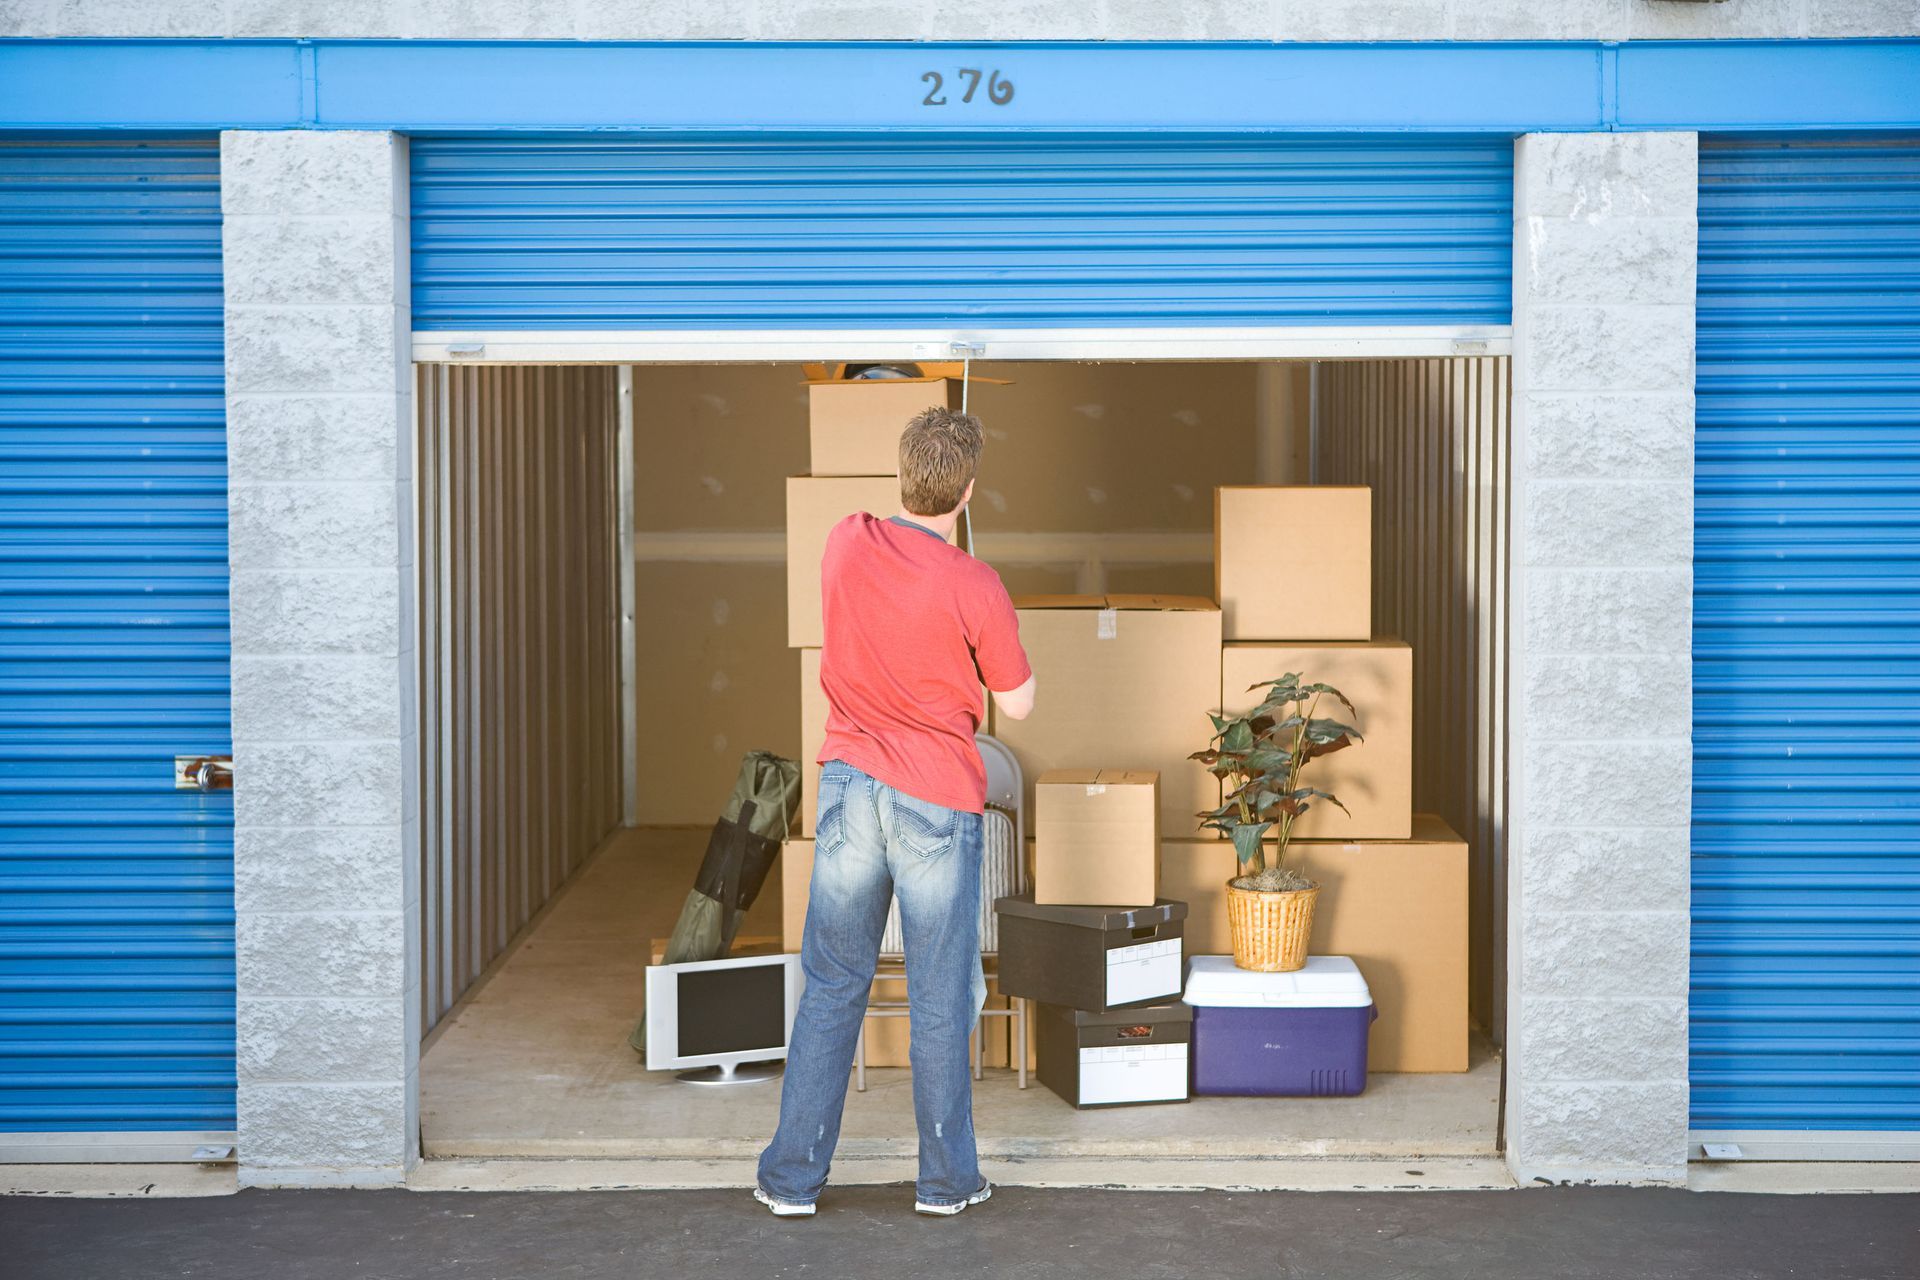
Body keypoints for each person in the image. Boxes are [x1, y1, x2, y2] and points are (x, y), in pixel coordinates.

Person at [755, 404, 1036, 1219]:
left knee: (833, 983)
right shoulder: (975, 583)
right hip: (934, 801)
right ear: (969, 491)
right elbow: (1016, 704)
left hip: (847, 787)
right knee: (941, 994)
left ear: (903, 475)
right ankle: (946, 1182)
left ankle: (792, 1180)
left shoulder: (846, 540)